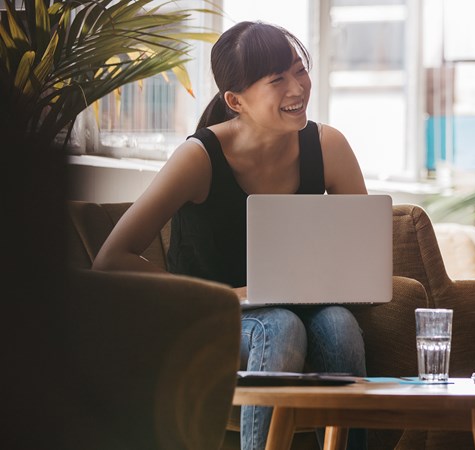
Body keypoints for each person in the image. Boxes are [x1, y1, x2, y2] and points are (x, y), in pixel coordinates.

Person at [93, 21, 368, 450]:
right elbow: (111, 258)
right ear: (235, 100)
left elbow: (363, 251)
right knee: (279, 326)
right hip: (213, 319)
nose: (297, 88)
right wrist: (228, 294)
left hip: (301, 308)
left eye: (299, 70)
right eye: (277, 79)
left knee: (339, 324)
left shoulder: (327, 146)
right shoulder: (198, 158)